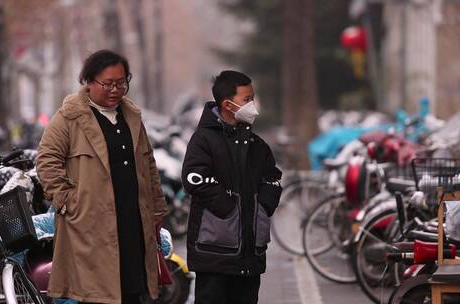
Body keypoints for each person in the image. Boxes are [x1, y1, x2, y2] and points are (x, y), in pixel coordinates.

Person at [36, 49, 168, 304]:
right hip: (90, 223)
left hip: (132, 221)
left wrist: (157, 208)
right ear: (89, 81)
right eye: (107, 83)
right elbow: (47, 161)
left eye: (121, 83)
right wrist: (70, 202)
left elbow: (148, 164)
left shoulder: (132, 117)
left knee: (132, 289)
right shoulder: (69, 117)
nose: (115, 90)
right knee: (97, 294)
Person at [182, 70, 282, 304]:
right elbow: (194, 178)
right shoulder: (204, 139)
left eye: (252, 98)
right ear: (227, 104)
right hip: (214, 252)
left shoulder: (257, 145)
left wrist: (263, 207)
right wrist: (229, 208)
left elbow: (273, 178)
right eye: (247, 100)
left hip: (250, 253)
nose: (253, 105)